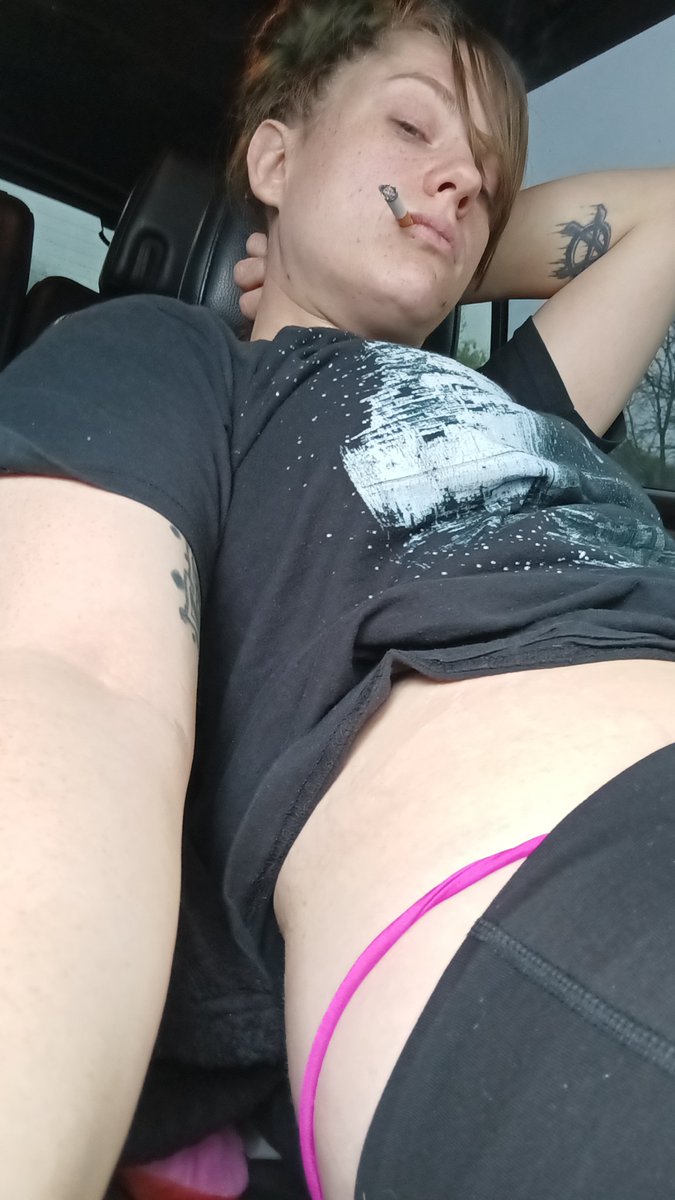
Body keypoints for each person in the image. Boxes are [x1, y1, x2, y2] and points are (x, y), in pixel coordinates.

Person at [0, 0, 675, 1197]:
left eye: (486, 176)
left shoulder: (523, 405)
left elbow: (666, 217)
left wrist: (428, 226)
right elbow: (74, 687)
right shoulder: (172, 364)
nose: (462, 178)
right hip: (571, 892)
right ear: (273, 156)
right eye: (411, 125)